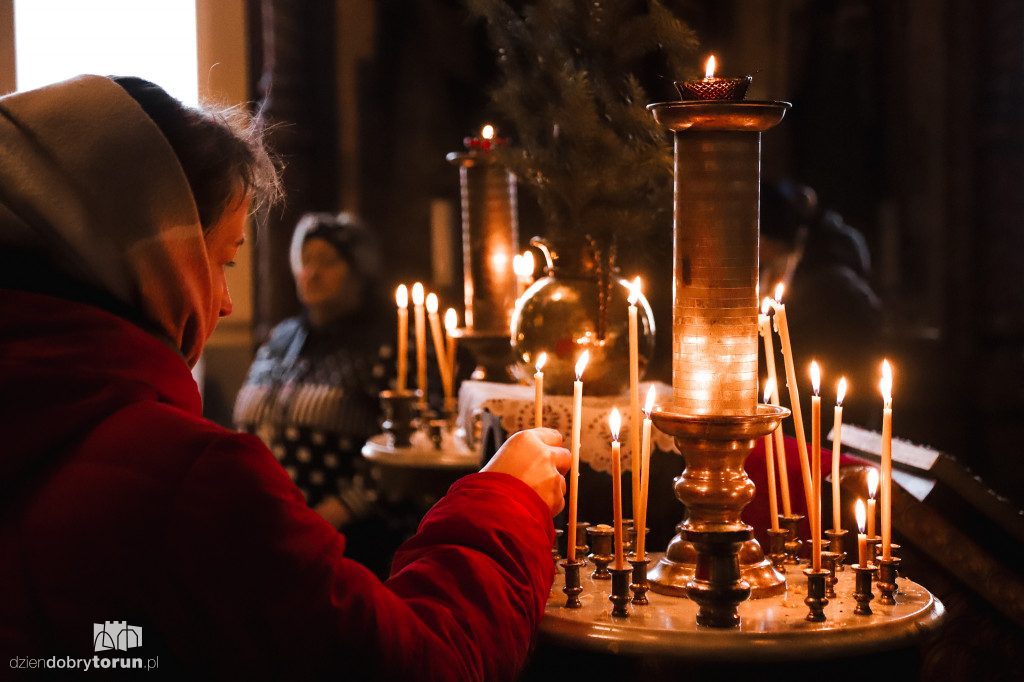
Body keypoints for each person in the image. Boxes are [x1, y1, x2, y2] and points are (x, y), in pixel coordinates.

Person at [0, 75, 570, 680]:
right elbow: (426, 665)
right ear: (151, 253)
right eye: (223, 260)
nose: (223, 302)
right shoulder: (194, 483)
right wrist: (503, 503)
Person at [234, 212, 416, 577]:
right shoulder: (282, 337)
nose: (311, 273)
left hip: (344, 541)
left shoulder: (384, 343)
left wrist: (327, 516)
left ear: (358, 272)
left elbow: (405, 449)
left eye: (327, 262)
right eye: (306, 261)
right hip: (262, 533)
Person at [760, 179, 884, 428]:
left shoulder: (834, 287)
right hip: (789, 417)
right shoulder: (779, 269)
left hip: (821, 424)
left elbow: (853, 370)